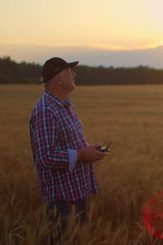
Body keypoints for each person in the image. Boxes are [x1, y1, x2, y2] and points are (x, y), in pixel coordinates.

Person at [29, 57, 107, 240]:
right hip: (61, 199)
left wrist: (89, 149)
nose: (74, 74)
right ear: (58, 78)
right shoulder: (45, 111)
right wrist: (83, 154)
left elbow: (69, 146)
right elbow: (45, 157)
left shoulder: (66, 104)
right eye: (69, 71)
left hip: (78, 192)